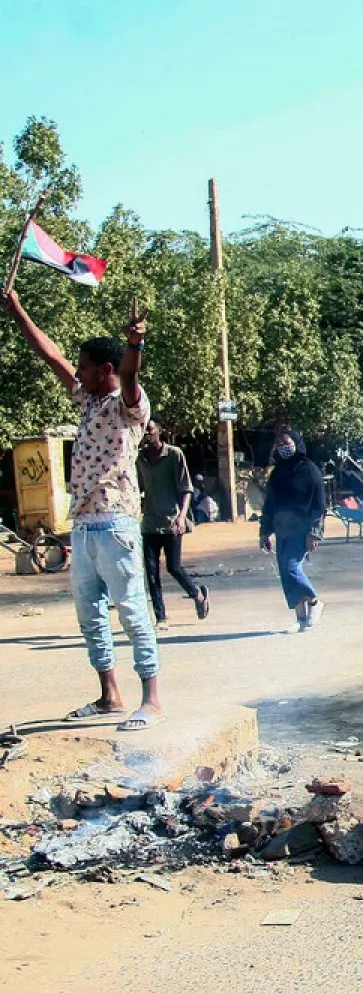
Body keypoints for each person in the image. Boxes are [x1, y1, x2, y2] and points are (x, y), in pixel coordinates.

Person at [3, 288, 164, 730]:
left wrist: (135, 345)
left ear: (104, 370)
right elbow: (50, 355)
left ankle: (151, 699)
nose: (77, 371)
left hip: (116, 523)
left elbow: (131, 376)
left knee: (131, 609)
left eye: (85, 366)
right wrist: (17, 307)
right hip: (85, 524)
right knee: (90, 616)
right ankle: (109, 696)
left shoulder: (129, 406)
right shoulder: (89, 398)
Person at [137, 418, 210, 631]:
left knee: (174, 567)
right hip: (150, 523)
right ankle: (161, 617)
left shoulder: (174, 455)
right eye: (143, 430)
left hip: (171, 522)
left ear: (159, 431)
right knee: (151, 571)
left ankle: (197, 594)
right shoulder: (139, 458)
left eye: (149, 429)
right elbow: (139, 487)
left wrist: (181, 517)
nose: (146, 433)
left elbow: (186, 489)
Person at [260, 429, 326, 631]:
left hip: (302, 529)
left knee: (291, 568)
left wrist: (314, 532)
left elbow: (319, 504)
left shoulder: (309, 470)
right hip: (282, 529)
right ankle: (301, 619)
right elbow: (269, 504)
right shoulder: (277, 473)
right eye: (279, 444)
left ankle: (314, 601)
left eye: (287, 443)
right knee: (286, 573)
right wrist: (264, 531)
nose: (283, 448)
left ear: (297, 443)